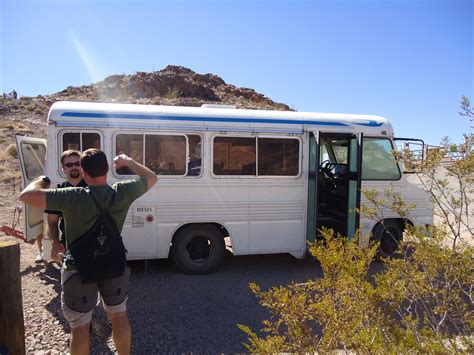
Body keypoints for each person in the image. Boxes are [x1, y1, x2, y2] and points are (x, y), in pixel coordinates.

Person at [19, 149, 157, 355]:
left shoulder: (71, 196)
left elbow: (26, 196)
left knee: (80, 326)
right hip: (114, 265)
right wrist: (128, 161)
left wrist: (41, 180)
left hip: (78, 268)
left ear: (83, 172)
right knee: (119, 316)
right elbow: (152, 177)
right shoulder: (121, 192)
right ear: (108, 169)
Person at [37, 150, 87, 263]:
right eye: (69, 165)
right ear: (63, 168)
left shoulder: (93, 188)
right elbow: (52, 222)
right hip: (69, 247)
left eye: (77, 163)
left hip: (95, 245)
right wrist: (55, 243)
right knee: (71, 279)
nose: (74, 167)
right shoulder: (58, 192)